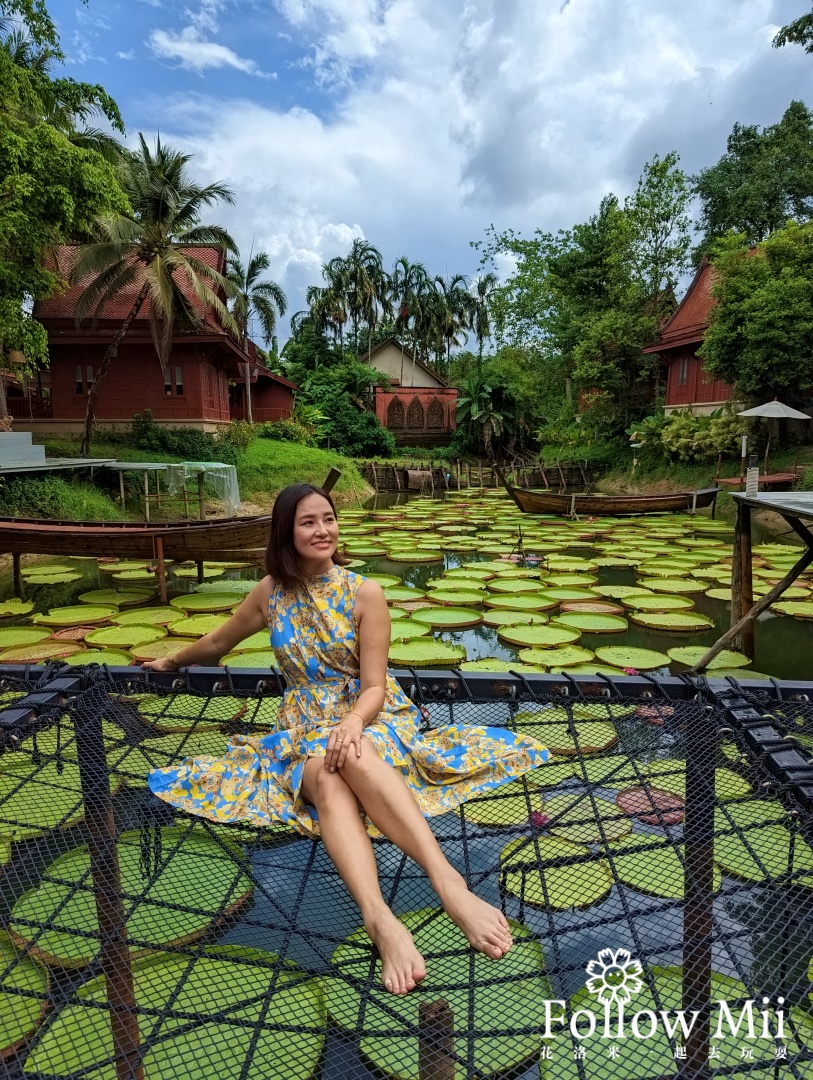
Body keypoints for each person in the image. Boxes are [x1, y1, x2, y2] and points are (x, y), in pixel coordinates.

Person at [144, 483, 548, 995]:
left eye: (328, 519)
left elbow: (376, 685)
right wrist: (171, 660)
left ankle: (449, 885)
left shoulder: (365, 593)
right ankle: (380, 919)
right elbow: (220, 642)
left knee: (349, 754)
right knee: (326, 778)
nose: (322, 530)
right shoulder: (270, 592)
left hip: (369, 715)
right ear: (286, 533)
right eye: (308, 522)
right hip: (300, 726)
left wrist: (353, 722)